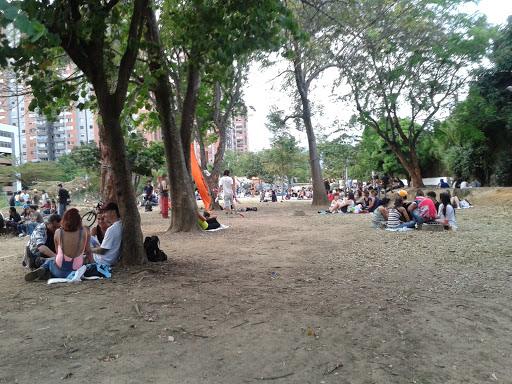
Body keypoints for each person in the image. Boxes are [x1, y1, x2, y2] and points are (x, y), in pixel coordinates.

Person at [25, 209, 92, 281]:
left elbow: (57, 251)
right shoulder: (85, 231)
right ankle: (47, 271)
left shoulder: (58, 232)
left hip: (58, 268)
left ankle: (44, 269)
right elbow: (88, 252)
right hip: (75, 270)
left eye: (58, 226)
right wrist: (93, 265)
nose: (56, 229)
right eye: (54, 227)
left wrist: (58, 258)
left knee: (51, 261)